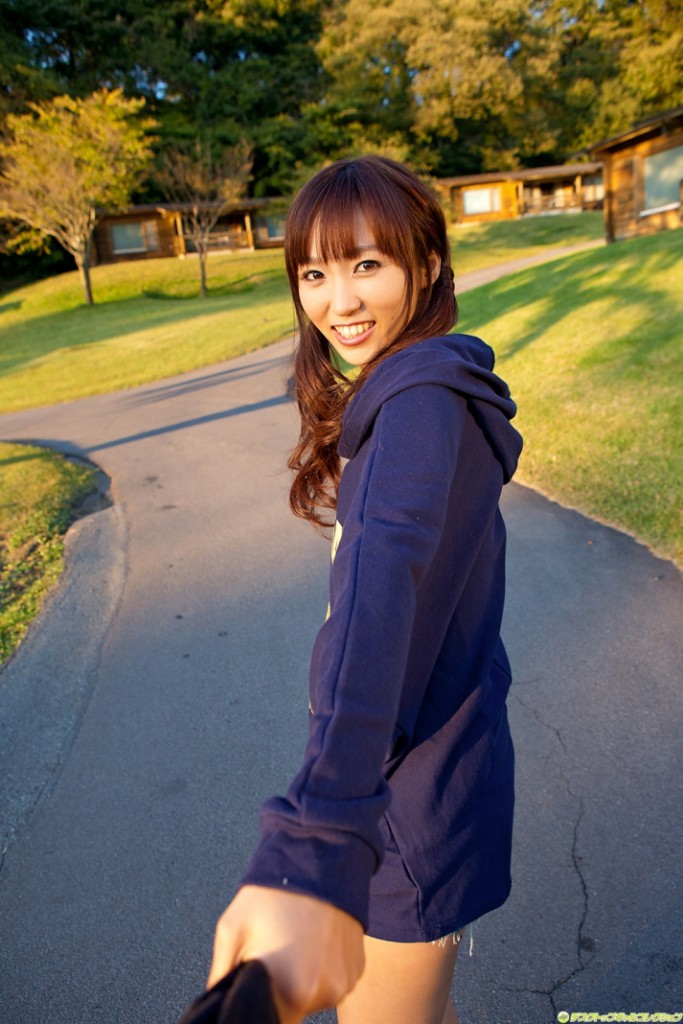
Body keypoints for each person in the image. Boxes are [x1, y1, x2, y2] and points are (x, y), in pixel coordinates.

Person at [207, 156, 523, 1024]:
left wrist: (319, 839)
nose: (337, 302)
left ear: (427, 264)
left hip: (400, 807)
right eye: (313, 273)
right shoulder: (427, 389)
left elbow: (376, 603)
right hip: (437, 771)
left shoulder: (418, 408)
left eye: (367, 264)